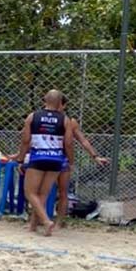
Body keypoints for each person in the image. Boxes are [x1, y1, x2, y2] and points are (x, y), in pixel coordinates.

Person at [11, 89, 74, 236]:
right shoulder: (65, 119)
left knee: (30, 192)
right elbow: (69, 143)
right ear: (60, 103)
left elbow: (26, 140)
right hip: (56, 159)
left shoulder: (33, 117)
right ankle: (33, 226)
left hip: (38, 158)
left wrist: (20, 158)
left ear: (44, 100)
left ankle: (46, 221)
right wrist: (70, 160)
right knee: (43, 194)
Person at [56, 96, 110, 227]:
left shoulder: (69, 121)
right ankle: (41, 218)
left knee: (63, 191)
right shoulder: (40, 118)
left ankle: (60, 221)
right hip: (44, 157)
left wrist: (95, 156)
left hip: (61, 159)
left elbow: (82, 140)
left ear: (64, 106)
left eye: (58, 105)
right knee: (41, 190)